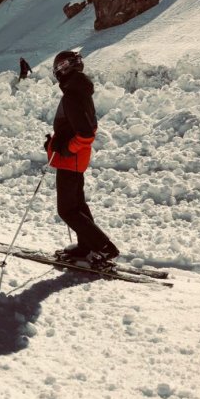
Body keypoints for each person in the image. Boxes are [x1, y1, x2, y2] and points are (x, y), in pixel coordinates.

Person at [45, 51, 119, 262]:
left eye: (58, 68)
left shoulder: (73, 95)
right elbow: (75, 128)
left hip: (72, 160)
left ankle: (105, 248)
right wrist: (54, 143)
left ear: (63, 69)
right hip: (74, 159)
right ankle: (86, 246)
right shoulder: (78, 91)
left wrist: (67, 148)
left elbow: (86, 132)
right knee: (77, 206)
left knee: (67, 210)